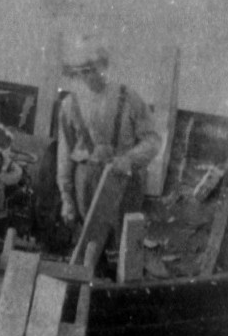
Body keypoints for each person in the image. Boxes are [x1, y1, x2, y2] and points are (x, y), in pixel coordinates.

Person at [56, 37, 162, 247]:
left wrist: (130, 159)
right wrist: (66, 198)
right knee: (90, 244)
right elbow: (64, 154)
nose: (88, 76)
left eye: (92, 69)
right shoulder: (70, 104)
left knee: (124, 244)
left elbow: (153, 140)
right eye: (82, 71)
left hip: (123, 181)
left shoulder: (129, 98)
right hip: (86, 182)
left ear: (104, 66)